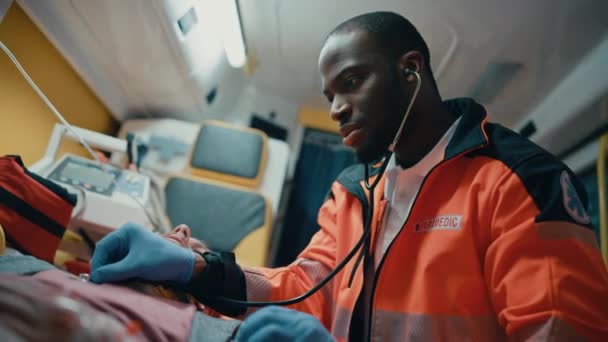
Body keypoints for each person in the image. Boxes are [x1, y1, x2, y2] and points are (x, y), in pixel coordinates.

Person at [90, 11, 608, 341]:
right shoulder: (354, 194)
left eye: (352, 82)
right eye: (329, 95)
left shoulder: (516, 181)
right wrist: (198, 269)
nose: (337, 108)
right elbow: (303, 286)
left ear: (412, 70)